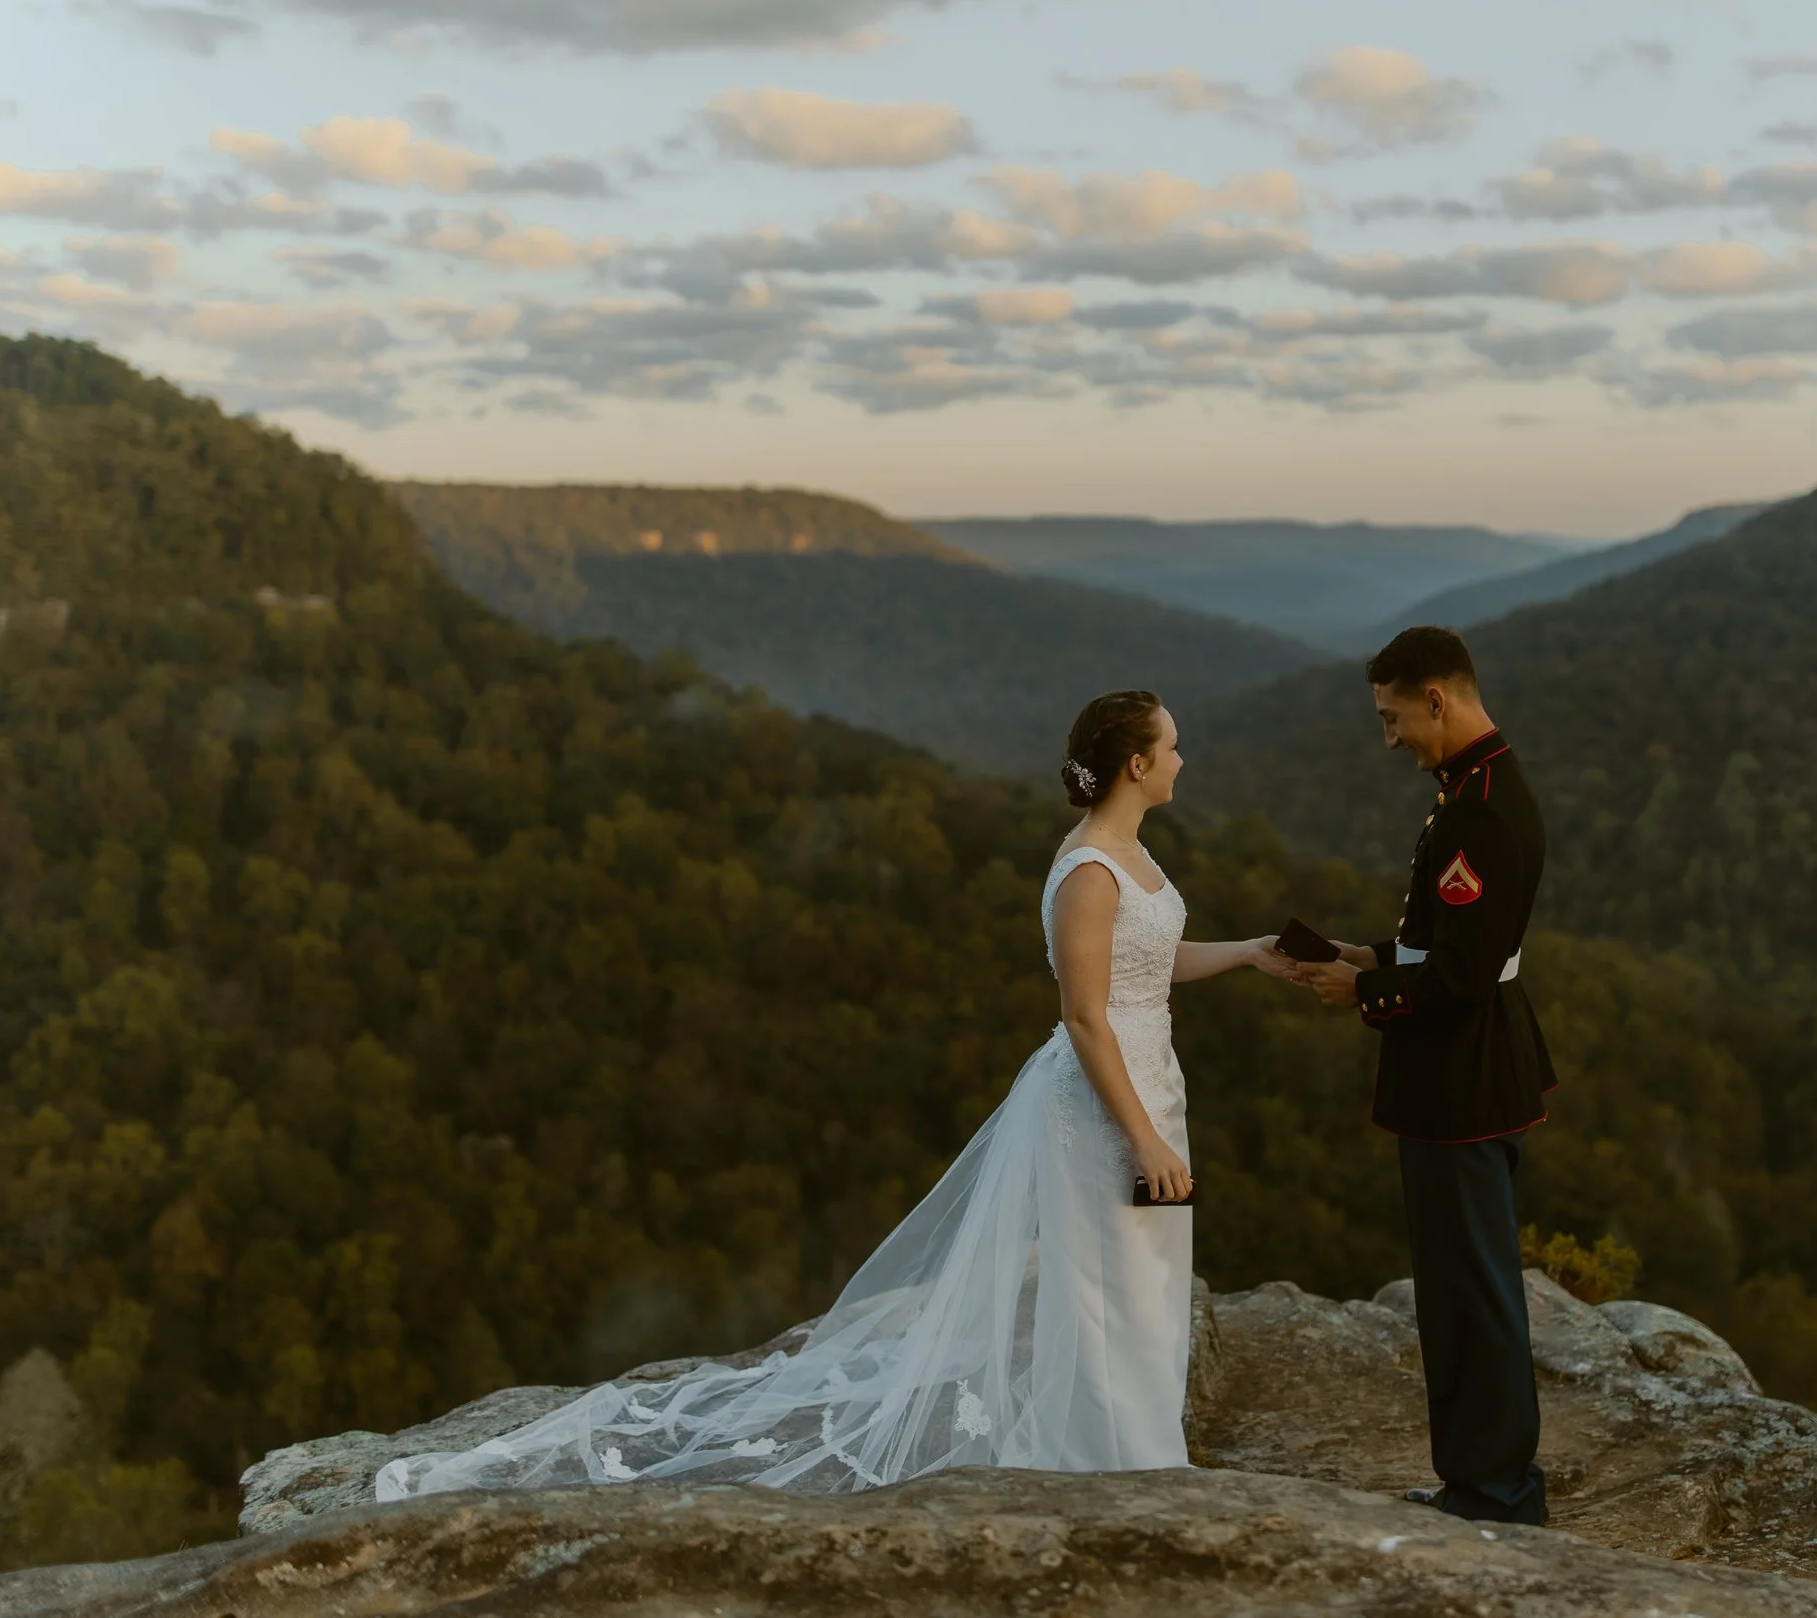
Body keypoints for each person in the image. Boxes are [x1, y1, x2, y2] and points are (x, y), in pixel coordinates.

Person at [375, 689, 1297, 1502]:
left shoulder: (1130, 854)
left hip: (1150, 1087)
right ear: (1136, 764)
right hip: (1103, 1104)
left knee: (1150, 1283)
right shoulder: (1090, 869)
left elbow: (1151, 965)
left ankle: (1144, 1455)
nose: (1182, 760)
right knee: (1106, 1290)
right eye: (1172, 747)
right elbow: (1090, 1017)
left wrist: (1252, 952)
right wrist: (1141, 1135)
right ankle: (1112, 1466)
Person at [1294, 626, 1556, 1527]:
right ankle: (1475, 1480)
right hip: (1460, 1076)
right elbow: (1440, 945)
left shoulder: (1483, 809)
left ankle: (1500, 1495)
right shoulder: (1469, 792)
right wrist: (1360, 953)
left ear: (1436, 699)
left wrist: (1363, 991)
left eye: (1393, 715)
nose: (1389, 735)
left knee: (1476, 1292)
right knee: (1456, 1290)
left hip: (1465, 1083)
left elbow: (1460, 980)